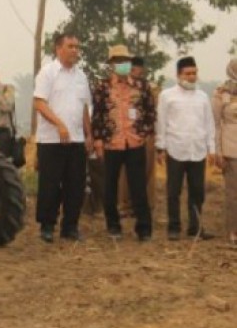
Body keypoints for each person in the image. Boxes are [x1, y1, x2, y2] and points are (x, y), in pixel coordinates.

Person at [90, 45, 156, 241]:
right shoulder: (102, 87)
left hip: (135, 143)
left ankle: (143, 228)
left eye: (125, 61)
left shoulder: (142, 86)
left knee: (138, 187)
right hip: (112, 144)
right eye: (118, 61)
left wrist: (144, 133)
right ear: (111, 64)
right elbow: (98, 115)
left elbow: (150, 112)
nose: (123, 64)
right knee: (110, 187)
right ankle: (113, 226)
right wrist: (99, 140)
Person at [33, 32, 92, 243]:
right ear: (59, 49)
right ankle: (47, 226)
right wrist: (59, 125)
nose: (75, 50)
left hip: (76, 140)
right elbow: (39, 103)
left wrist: (89, 134)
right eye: (70, 46)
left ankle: (70, 227)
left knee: (75, 185)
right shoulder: (47, 73)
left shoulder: (81, 76)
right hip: (51, 140)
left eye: (77, 46)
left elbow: (84, 107)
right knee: (50, 184)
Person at [156, 56, 216, 241]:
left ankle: (195, 227)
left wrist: (211, 148)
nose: (191, 77)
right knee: (173, 191)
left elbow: (209, 123)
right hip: (176, 148)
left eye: (194, 73)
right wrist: (160, 147)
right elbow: (161, 122)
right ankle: (174, 228)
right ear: (178, 75)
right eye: (187, 73)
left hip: (197, 149)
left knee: (197, 191)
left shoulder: (203, 97)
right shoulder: (167, 96)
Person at [117, 56, 158, 217]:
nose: (136, 71)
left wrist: (150, 132)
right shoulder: (120, 87)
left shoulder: (150, 88)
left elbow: (154, 112)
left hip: (146, 135)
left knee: (147, 170)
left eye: (138, 68)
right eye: (132, 68)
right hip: (125, 135)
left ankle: (147, 205)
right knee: (125, 171)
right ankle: (126, 205)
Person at [213, 58, 237, 247]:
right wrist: (218, 151)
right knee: (233, 193)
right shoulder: (222, 93)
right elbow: (216, 124)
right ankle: (233, 230)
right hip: (231, 149)